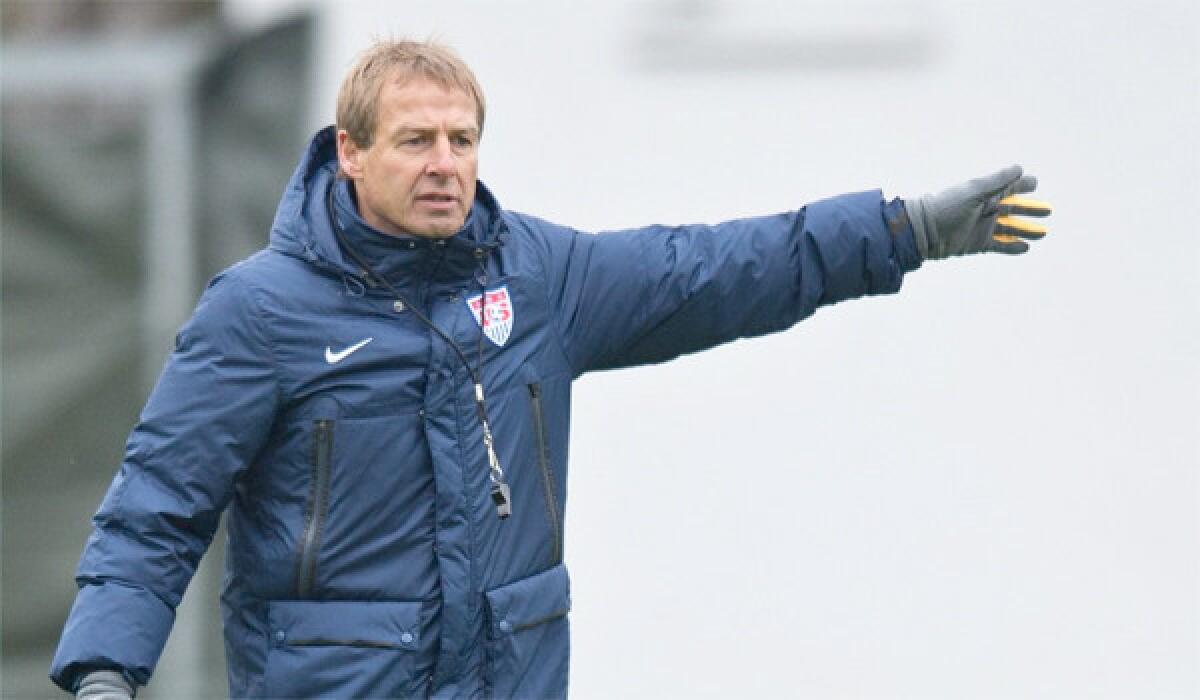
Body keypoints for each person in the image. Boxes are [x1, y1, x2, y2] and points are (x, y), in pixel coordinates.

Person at [50, 39, 1051, 699]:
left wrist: (904, 230)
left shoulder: (540, 277)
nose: (444, 161)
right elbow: (159, 501)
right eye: (415, 141)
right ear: (348, 152)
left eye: (462, 139)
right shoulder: (260, 309)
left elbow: (720, 268)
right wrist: (105, 668)